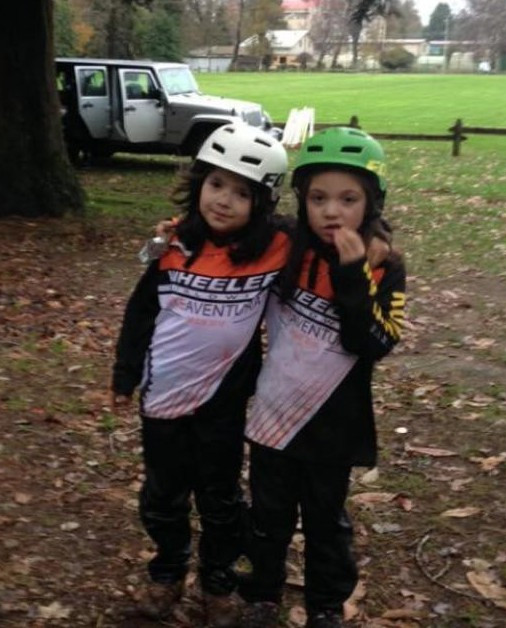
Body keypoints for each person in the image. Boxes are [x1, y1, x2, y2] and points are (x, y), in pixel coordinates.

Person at [110, 123, 290, 628]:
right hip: (163, 395)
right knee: (163, 494)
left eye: (242, 193)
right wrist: (124, 374)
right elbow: (141, 312)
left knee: (220, 497)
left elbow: (325, 232)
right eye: (216, 184)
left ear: (262, 202)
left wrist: (373, 241)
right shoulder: (175, 244)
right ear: (198, 183)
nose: (224, 200)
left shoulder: (277, 246)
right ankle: (167, 573)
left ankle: (218, 583)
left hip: (223, 402)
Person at [240, 127, 407, 628]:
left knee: (325, 522)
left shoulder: (384, 267)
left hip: (335, 424)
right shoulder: (285, 246)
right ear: (302, 200)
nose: (332, 211)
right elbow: (231, 233)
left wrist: (353, 275)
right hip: (273, 415)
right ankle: (262, 594)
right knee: (267, 515)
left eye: (348, 199)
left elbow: (372, 344)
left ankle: (326, 607)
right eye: (318, 198)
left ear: (371, 202)